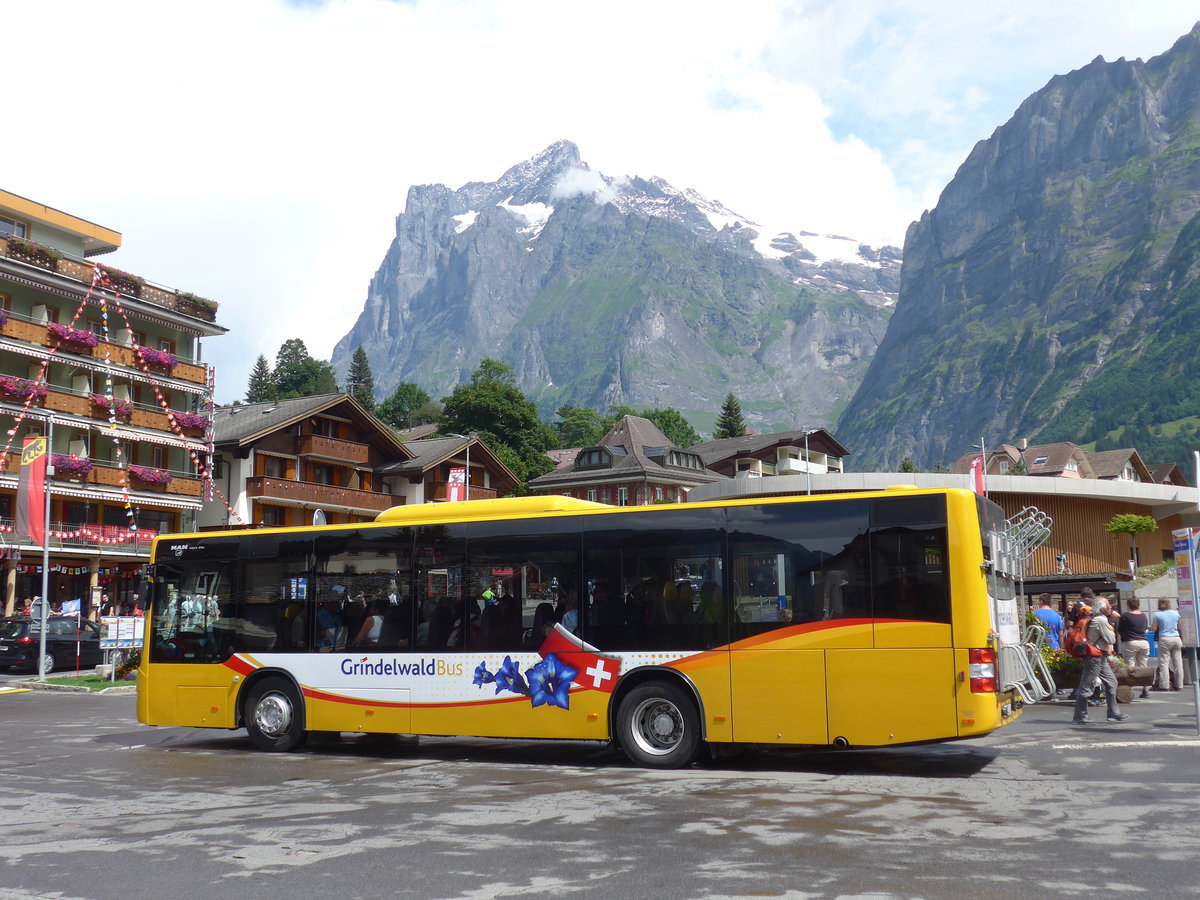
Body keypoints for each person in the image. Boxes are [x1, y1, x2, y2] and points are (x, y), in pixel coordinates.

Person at [1072, 598, 1130, 725]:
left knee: (1111, 682)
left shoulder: (1096, 618)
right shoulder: (1101, 620)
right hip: (1095, 657)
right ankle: (1080, 716)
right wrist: (1111, 626)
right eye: (1109, 606)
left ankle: (1113, 713)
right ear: (1102, 608)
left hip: (1098, 656)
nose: (1111, 608)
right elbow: (1111, 639)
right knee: (1087, 686)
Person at [1117, 597, 1152, 698]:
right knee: (1143, 666)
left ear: (1128, 605)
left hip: (1130, 642)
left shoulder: (1125, 616)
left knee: (1130, 666)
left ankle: (1129, 690)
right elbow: (1145, 628)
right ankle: (1146, 690)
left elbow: (1120, 630)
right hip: (1144, 642)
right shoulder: (1143, 616)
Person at [1150, 598, 1184, 691]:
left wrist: (1151, 627)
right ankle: (1179, 684)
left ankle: (1164, 685)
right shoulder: (1176, 614)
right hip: (1176, 638)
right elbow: (1179, 626)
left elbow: (1154, 628)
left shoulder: (1157, 615)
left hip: (1164, 639)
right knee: (1178, 662)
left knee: (1164, 663)